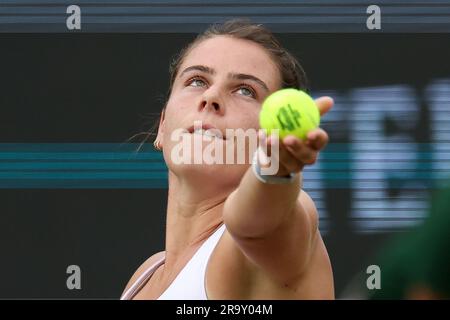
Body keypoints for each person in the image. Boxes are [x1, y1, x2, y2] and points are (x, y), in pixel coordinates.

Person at [121, 19, 334, 300]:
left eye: (245, 90)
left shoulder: (275, 228)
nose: (211, 96)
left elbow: (256, 225)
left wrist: (273, 172)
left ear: (272, 133)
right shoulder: (145, 277)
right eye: (196, 81)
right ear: (163, 125)